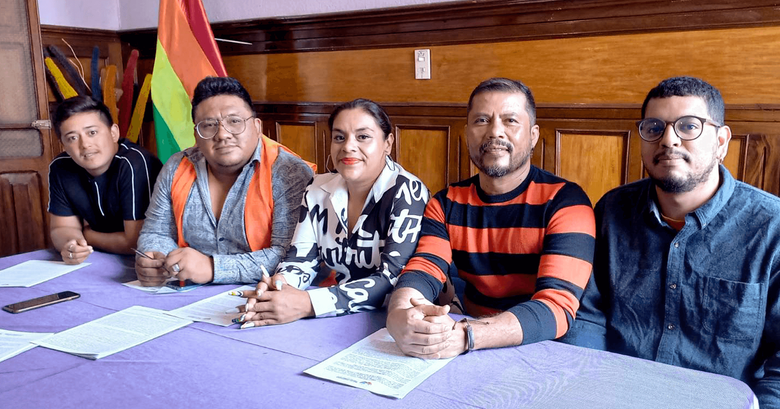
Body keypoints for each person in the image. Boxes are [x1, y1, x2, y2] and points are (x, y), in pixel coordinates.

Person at [560, 76, 780, 406]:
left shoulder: (771, 226)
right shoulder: (612, 210)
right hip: (615, 394)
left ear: (721, 141)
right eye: (654, 127)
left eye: (688, 126)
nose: (669, 140)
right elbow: (588, 316)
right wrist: (586, 389)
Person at [385, 78, 596, 358]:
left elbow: (556, 306)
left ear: (533, 135)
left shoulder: (566, 201)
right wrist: (398, 313)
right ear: (467, 133)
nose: (495, 131)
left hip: (545, 344)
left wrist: (468, 335)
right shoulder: (445, 202)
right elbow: (424, 268)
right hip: (468, 340)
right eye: (482, 120)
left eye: (510, 120)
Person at [235, 99, 429, 328]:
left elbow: (392, 279)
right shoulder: (316, 189)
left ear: (388, 143)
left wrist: (307, 303)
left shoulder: (408, 192)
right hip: (339, 314)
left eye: (363, 137)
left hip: (402, 320)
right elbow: (300, 260)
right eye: (339, 137)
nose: (348, 146)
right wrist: (279, 287)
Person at [135, 76, 314, 286]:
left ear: (257, 126)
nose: (222, 134)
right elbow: (156, 232)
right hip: (187, 292)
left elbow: (290, 255)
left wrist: (212, 267)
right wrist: (155, 259)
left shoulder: (288, 172)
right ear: (196, 134)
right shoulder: (177, 166)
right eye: (209, 125)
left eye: (234, 121)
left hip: (266, 294)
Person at [48, 95, 162, 264]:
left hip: (149, 259)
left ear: (113, 132)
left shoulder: (133, 164)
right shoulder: (61, 168)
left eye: (92, 133)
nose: (85, 144)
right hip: (100, 256)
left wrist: (87, 235)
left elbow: (135, 243)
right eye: (72, 138)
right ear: (63, 144)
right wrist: (72, 246)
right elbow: (62, 227)